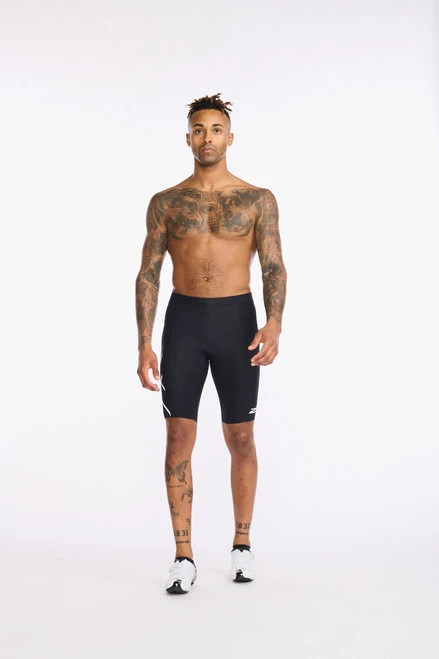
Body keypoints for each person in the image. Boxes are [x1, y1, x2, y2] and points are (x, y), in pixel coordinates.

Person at [135, 93, 287, 594]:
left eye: (216, 130)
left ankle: (242, 545)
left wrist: (274, 323)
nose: (207, 138)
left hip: (237, 321)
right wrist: (144, 342)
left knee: (240, 437)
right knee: (178, 437)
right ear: (188, 138)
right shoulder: (166, 202)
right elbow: (148, 272)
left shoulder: (257, 199)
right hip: (183, 322)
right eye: (199, 130)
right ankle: (184, 555)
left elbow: (273, 265)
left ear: (230, 137)